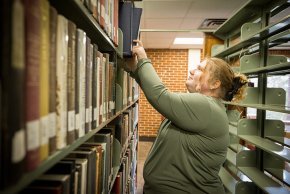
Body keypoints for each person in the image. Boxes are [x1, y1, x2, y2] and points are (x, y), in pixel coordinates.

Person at [125, 40, 248, 194]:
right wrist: (135, 70)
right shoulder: (205, 106)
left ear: (214, 84)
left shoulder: (206, 106)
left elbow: (160, 96)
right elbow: (158, 94)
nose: (191, 71)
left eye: (200, 69)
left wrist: (143, 59)